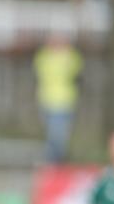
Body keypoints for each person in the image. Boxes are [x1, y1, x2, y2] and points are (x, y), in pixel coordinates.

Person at [33, 34, 83, 163]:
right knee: (51, 136)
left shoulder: (70, 56)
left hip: (64, 102)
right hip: (46, 101)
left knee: (58, 136)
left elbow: (75, 69)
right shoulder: (44, 56)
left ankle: (55, 162)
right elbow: (39, 68)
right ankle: (54, 162)